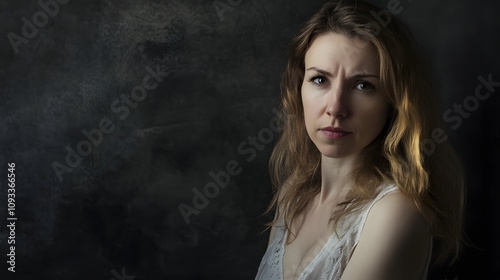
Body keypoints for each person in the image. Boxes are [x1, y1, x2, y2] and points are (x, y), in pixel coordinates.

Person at [255, 0, 465, 279]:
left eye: (363, 85)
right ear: (298, 88)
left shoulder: (395, 212)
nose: (336, 107)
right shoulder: (292, 195)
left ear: (394, 101)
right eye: (320, 80)